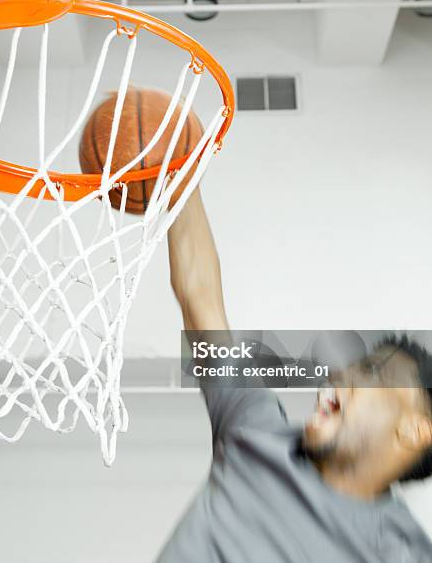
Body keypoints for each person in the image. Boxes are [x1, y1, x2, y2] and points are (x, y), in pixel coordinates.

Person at [158, 187, 432, 562]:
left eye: (372, 372)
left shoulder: (402, 553)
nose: (340, 372)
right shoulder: (255, 428)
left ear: (415, 430)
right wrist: (180, 173)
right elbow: (199, 296)